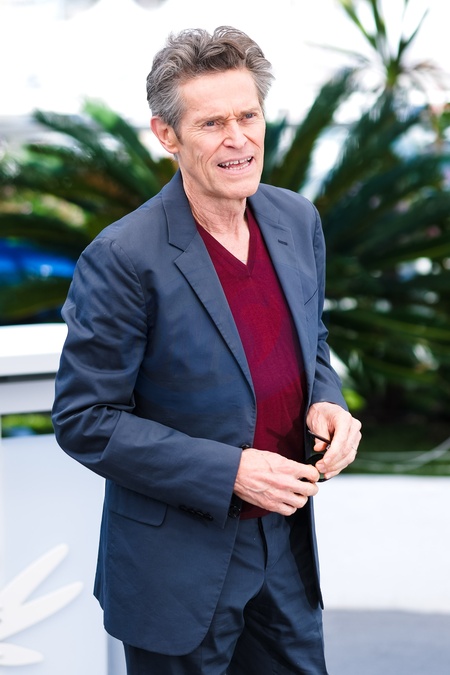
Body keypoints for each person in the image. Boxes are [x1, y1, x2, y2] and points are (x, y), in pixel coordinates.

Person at [52, 26, 361, 675]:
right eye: (213, 123)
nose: (238, 138)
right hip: (176, 572)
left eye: (248, 116)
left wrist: (327, 402)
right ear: (167, 135)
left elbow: (312, 342)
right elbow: (85, 419)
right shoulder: (122, 257)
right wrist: (230, 472)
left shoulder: (297, 219)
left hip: (285, 550)